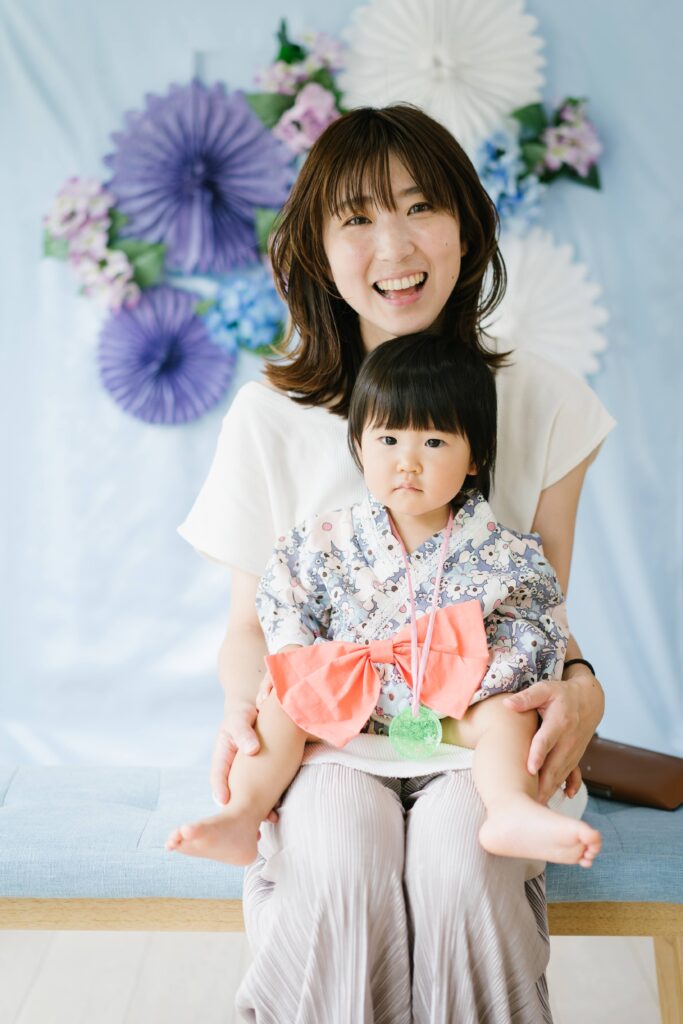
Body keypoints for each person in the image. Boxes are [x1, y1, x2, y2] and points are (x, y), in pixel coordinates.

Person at [178, 104, 615, 1022]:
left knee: (464, 863)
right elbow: (249, 627)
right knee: (339, 859)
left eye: (420, 206)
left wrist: (583, 690)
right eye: (357, 218)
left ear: (467, 224)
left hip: (478, 735)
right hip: (329, 735)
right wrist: (248, 712)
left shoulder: (547, 401)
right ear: (317, 247)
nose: (394, 246)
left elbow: (543, 615)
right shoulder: (268, 418)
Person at [167, 334, 602, 872]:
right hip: (347, 705)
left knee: (506, 717)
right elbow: (283, 601)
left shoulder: (504, 554)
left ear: (475, 457)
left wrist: (507, 674)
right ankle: (242, 816)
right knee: (282, 703)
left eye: (434, 442)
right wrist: (296, 655)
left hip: (452, 713)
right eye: (389, 439)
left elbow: (538, 621)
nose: (408, 463)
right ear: (359, 447)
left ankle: (509, 809)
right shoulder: (325, 540)